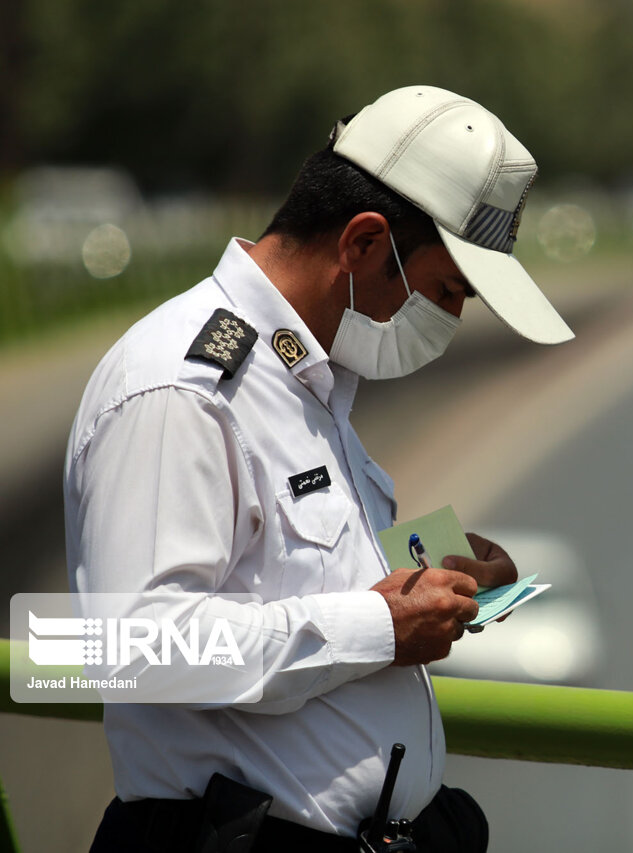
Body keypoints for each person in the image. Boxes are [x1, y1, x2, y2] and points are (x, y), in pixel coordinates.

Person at [65, 85, 574, 852]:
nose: (455, 318)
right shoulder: (182, 386)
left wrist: (443, 579)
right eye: (446, 290)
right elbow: (135, 650)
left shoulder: (306, 378)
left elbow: (289, 574)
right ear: (365, 243)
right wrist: (382, 623)